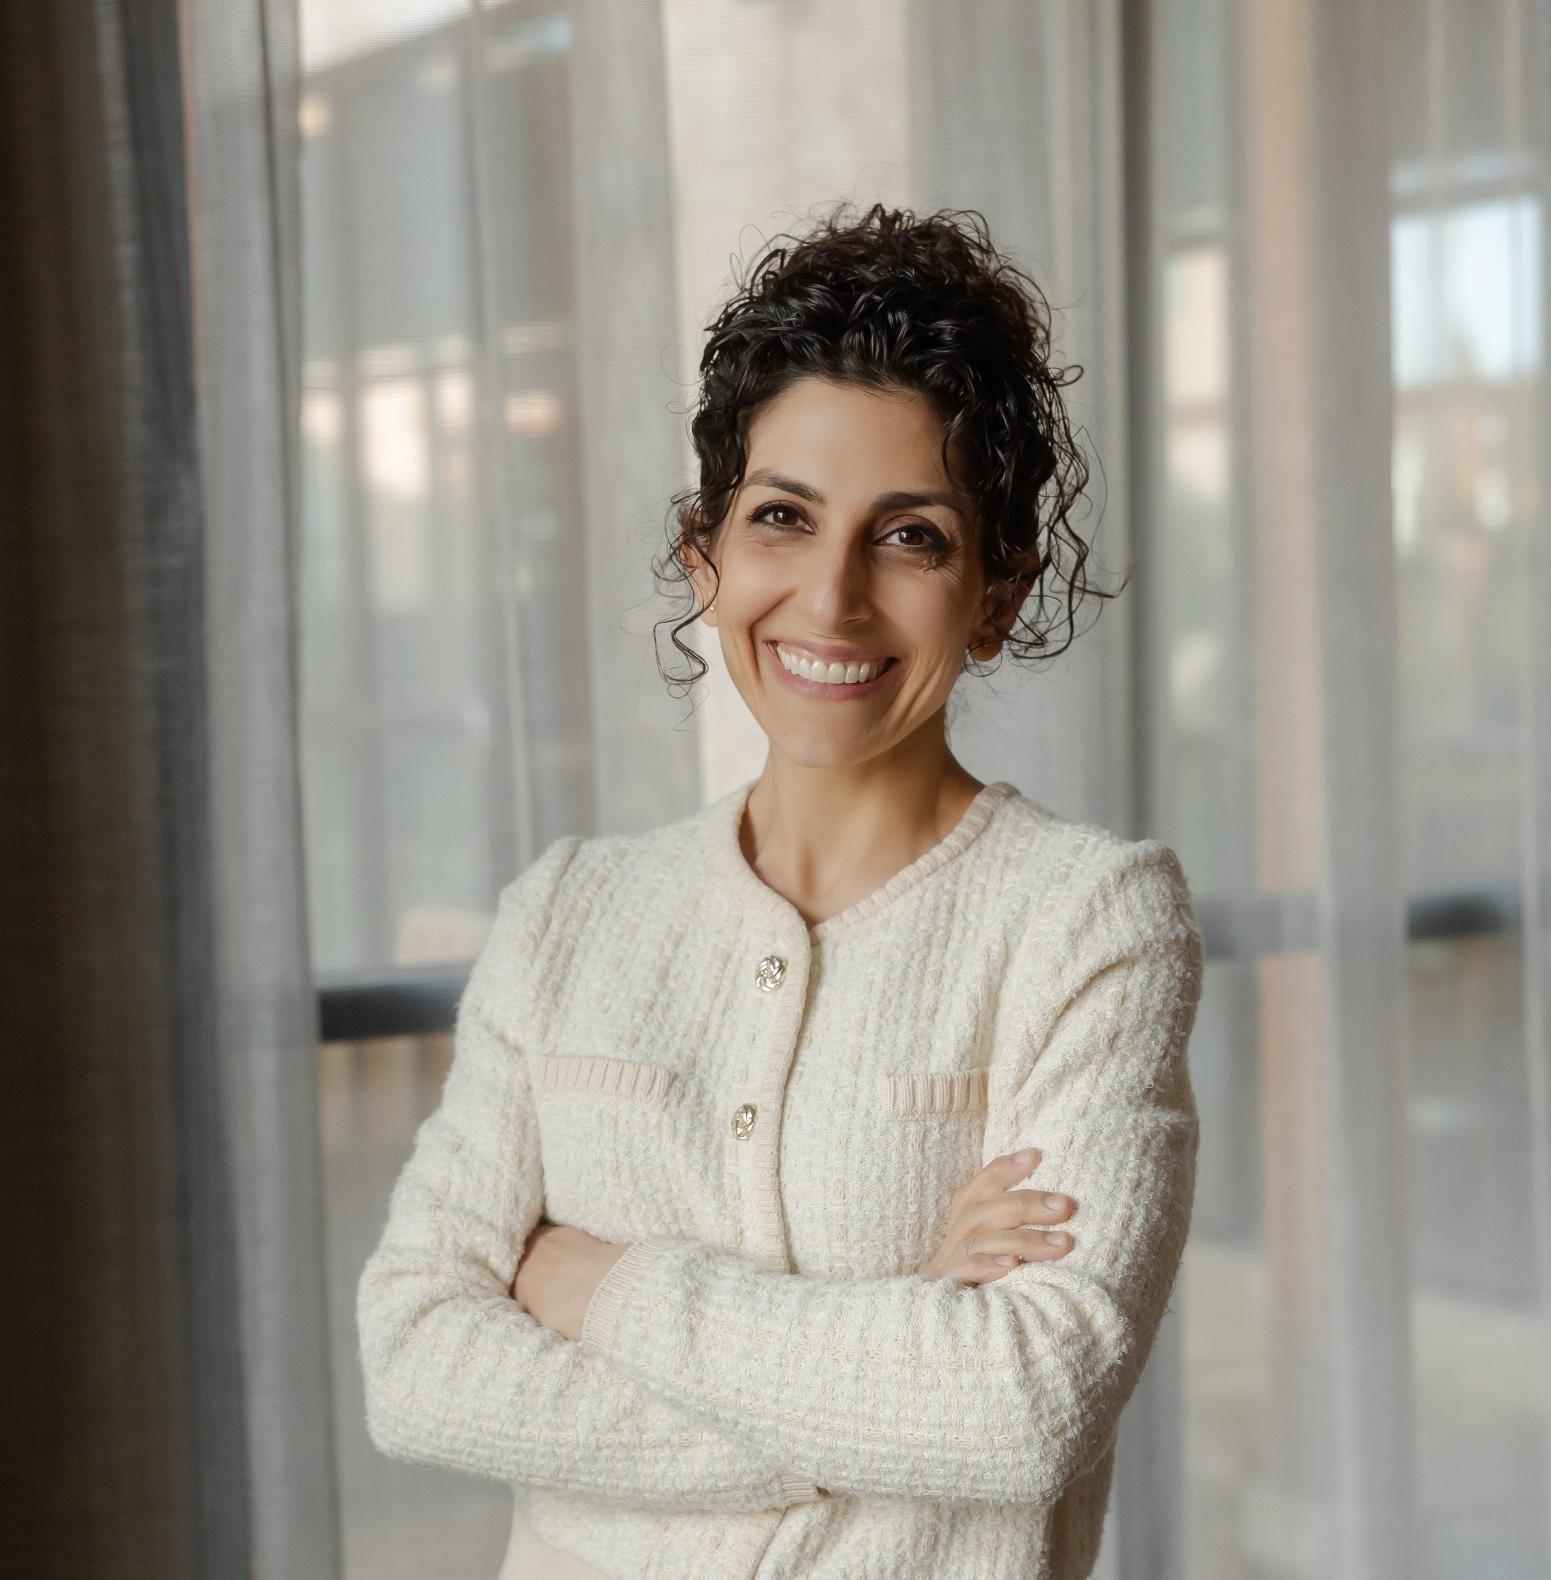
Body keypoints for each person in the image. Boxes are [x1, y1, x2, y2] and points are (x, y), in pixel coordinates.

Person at [357, 205, 1203, 1580]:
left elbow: (1022, 1408)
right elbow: (414, 1362)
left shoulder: (1088, 919)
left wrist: (601, 1285)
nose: (831, 597)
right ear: (707, 555)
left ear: (998, 593)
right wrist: (903, 1325)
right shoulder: (567, 915)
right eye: (781, 520)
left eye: (912, 537)